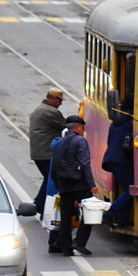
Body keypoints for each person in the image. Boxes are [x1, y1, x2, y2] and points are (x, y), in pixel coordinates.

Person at [51, 115, 96, 257]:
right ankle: (80, 242)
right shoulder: (80, 141)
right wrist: (91, 184)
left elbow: (54, 167)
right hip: (80, 185)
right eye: (81, 128)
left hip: (64, 185)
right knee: (90, 213)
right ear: (77, 127)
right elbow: (85, 164)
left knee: (65, 217)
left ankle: (66, 248)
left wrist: (58, 184)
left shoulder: (58, 143)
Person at [29, 88, 66, 217]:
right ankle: (41, 205)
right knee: (52, 178)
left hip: (38, 152)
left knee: (48, 177)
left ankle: (39, 204)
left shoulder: (40, 108)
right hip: (46, 153)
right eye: (60, 100)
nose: (61, 104)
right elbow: (65, 126)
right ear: (54, 99)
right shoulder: (51, 112)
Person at [102, 102, 135, 227]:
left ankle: (122, 219)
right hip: (121, 160)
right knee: (131, 189)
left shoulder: (115, 123)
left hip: (110, 159)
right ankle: (111, 212)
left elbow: (110, 141)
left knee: (127, 188)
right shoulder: (132, 122)